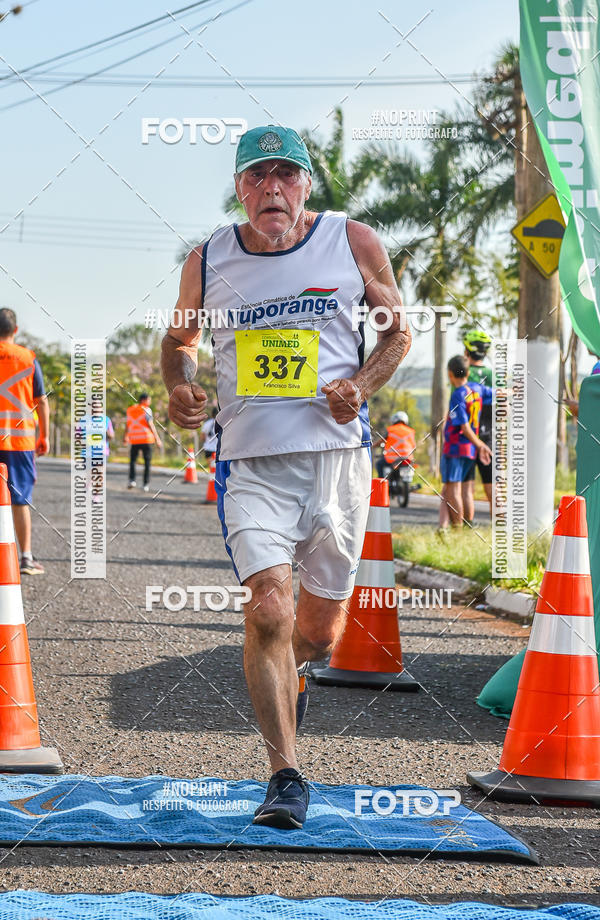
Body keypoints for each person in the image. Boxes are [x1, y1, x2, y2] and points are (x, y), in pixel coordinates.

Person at [161, 124, 410, 829]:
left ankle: (285, 673)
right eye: (256, 176)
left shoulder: (352, 241)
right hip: (250, 463)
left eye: (287, 174)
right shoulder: (209, 258)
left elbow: (398, 331)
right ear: (239, 187)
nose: (272, 187)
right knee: (269, 607)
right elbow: (180, 339)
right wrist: (180, 384)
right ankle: (286, 777)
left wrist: (360, 386)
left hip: (337, 462)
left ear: (306, 184)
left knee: (321, 632)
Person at [0, 307, 49, 574]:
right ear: (15, 330)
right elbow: (41, 401)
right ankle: (26, 557)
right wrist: (45, 436)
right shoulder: (28, 359)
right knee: (20, 499)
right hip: (19, 443)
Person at [440, 355, 492, 529]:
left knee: (453, 489)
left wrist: (480, 444)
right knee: (467, 490)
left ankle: (457, 529)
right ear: (468, 372)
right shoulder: (476, 389)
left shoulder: (457, 395)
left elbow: (463, 426)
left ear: (450, 374)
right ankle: (469, 527)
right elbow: (496, 393)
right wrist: (514, 391)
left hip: (456, 447)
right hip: (470, 451)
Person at [462, 329, 493, 522]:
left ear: (467, 351)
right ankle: (499, 533)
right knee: (493, 484)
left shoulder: (464, 373)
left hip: (467, 434)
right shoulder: (494, 374)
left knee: (467, 486)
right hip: (490, 434)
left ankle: (467, 527)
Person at [125, 393, 162, 491]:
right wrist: (157, 439)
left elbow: (127, 424)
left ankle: (132, 480)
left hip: (134, 439)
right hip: (147, 439)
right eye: (149, 400)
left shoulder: (130, 409)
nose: (150, 402)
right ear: (144, 400)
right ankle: (145, 484)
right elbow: (151, 425)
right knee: (147, 463)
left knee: (133, 461)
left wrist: (126, 437)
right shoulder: (147, 409)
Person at [375, 410, 416, 478]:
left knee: (379, 464)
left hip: (391, 459)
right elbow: (414, 446)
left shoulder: (390, 430)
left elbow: (381, 440)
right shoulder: (411, 431)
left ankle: (381, 485)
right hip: (407, 459)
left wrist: (373, 446)